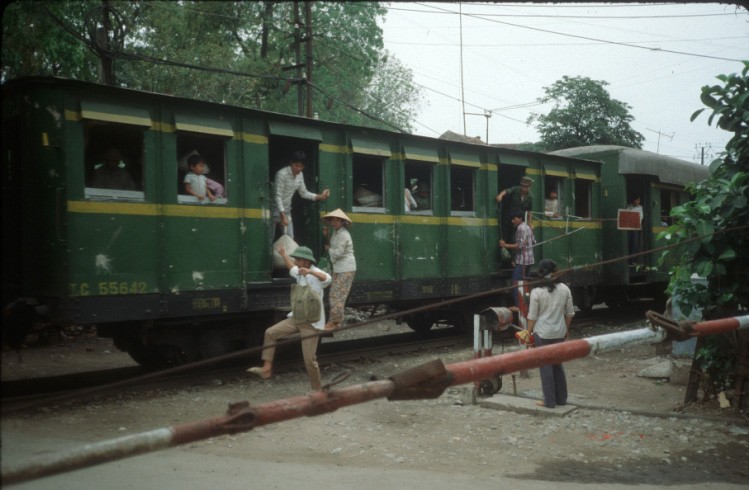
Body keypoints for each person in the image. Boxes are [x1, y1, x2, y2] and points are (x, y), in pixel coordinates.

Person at [247, 246, 332, 390]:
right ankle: (267, 368)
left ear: (306, 261)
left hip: (311, 323)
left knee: (309, 361)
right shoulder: (298, 271)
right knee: (270, 333)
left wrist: (310, 272)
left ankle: (318, 391)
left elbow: (328, 278)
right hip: (296, 318)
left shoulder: (316, 273)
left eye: (298, 260)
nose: (296, 262)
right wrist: (283, 255)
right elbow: (291, 267)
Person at [525, 259, 575, 408]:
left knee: (546, 367)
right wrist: (566, 329)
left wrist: (528, 333)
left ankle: (549, 401)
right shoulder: (565, 289)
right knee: (557, 365)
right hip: (559, 332)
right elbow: (570, 313)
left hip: (542, 333)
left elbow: (532, 317)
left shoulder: (537, 292)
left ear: (541, 273)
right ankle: (561, 399)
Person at [273, 150, 330, 240]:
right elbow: (277, 196)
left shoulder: (300, 175)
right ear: (291, 163)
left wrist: (321, 196)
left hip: (287, 210)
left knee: (290, 238)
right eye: (297, 165)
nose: (299, 169)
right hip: (273, 209)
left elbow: (304, 193)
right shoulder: (281, 174)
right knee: (269, 239)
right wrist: (282, 216)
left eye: (301, 166)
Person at [321, 209, 356, 331]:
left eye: (337, 220)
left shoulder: (343, 234)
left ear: (342, 222)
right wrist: (327, 237)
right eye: (333, 220)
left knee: (337, 296)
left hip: (345, 268)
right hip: (340, 268)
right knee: (335, 295)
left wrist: (328, 249)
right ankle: (336, 321)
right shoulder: (337, 233)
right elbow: (334, 247)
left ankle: (334, 322)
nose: (334, 222)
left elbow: (337, 254)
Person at [499, 210, 535, 306]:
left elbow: (519, 246)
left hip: (523, 261)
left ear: (520, 218)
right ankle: (526, 305)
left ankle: (519, 306)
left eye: (514, 219)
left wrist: (504, 245)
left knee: (516, 283)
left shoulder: (520, 228)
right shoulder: (527, 227)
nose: (512, 221)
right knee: (525, 284)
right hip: (529, 260)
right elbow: (533, 241)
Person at [626, 194, 643, 264]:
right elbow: (626, 215)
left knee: (635, 243)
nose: (638, 201)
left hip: (636, 227)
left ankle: (633, 260)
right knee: (629, 242)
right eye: (637, 200)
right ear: (634, 200)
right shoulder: (628, 206)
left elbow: (641, 216)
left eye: (639, 200)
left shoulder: (640, 207)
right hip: (629, 227)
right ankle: (628, 259)